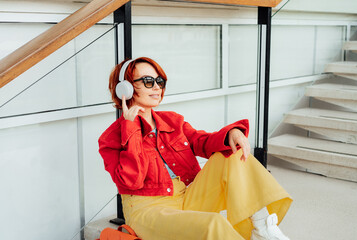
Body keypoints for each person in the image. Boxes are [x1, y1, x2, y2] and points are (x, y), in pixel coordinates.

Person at [98, 57, 292, 240]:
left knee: (232, 153)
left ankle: (261, 227)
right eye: (148, 81)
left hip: (186, 196)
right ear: (126, 88)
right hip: (148, 210)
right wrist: (130, 128)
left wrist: (231, 133)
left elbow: (202, 142)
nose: (157, 87)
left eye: (160, 81)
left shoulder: (172, 120)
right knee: (213, 224)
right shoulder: (111, 138)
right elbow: (131, 181)